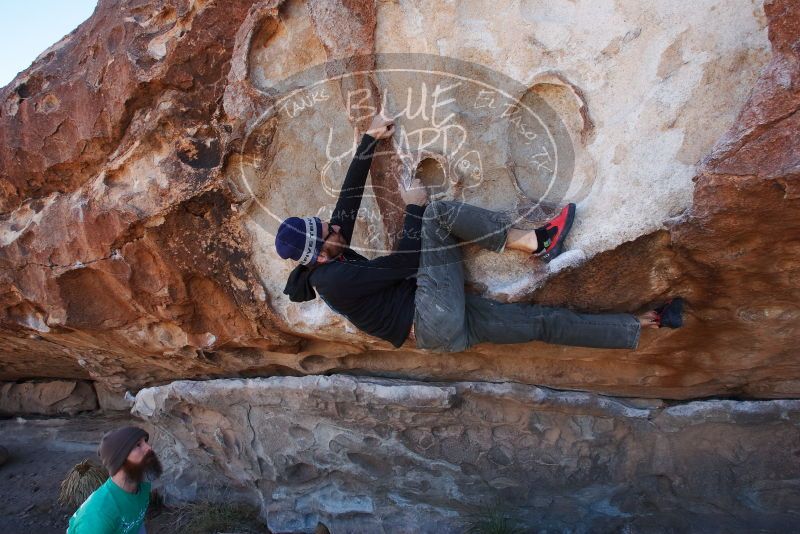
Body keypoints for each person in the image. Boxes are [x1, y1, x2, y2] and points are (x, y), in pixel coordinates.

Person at [275, 113, 683, 353]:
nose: (335, 226)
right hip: (430, 314)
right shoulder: (334, 279)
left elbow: (349, 196)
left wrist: (369, 138)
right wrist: (414, 207)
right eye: (328, 231)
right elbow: (405, 262)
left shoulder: (327, 255)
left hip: (443, 332)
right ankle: (538, 243)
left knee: (540, 322)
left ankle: (646, 322)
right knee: (436, 215)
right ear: (320, 253)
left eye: (328, 224)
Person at [67, 426, 162, 534]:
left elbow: (136, 523)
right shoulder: (99, 516)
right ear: (119, 461)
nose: (149, 447)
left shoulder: (142, 488)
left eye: (145, 441)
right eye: (138, 445)